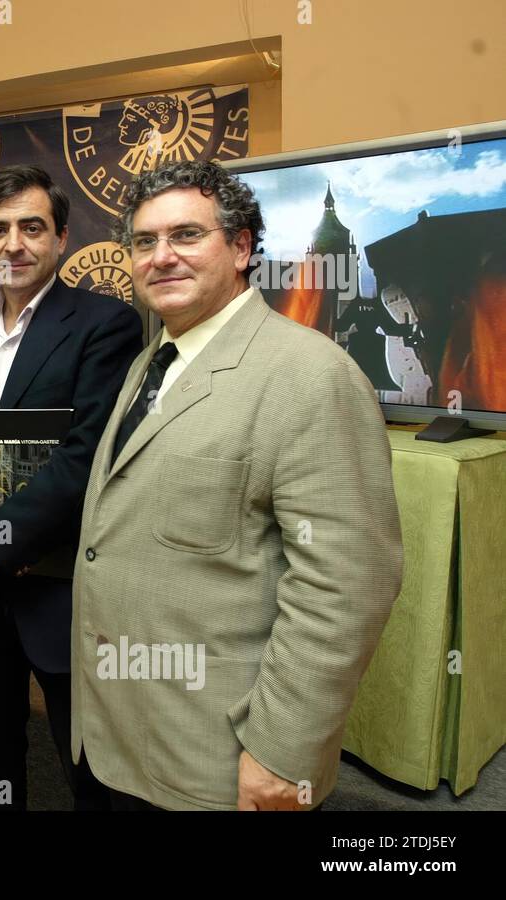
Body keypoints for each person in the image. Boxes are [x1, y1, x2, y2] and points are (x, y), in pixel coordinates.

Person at [72, 159, 403, 810]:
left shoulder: (312, 376)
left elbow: (346, 587)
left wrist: (282, 752)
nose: (160, 257)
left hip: (219, 760)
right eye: (144, 242)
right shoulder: (149, 361)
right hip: (113, 738)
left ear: (243, 246)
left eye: (186, 236)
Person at [0, 165, 140, 810]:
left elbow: (86, 453)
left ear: (62, 238)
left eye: (31, 227)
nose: (13, 244)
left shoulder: (105, 323)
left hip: (60, 587)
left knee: (92, 767)